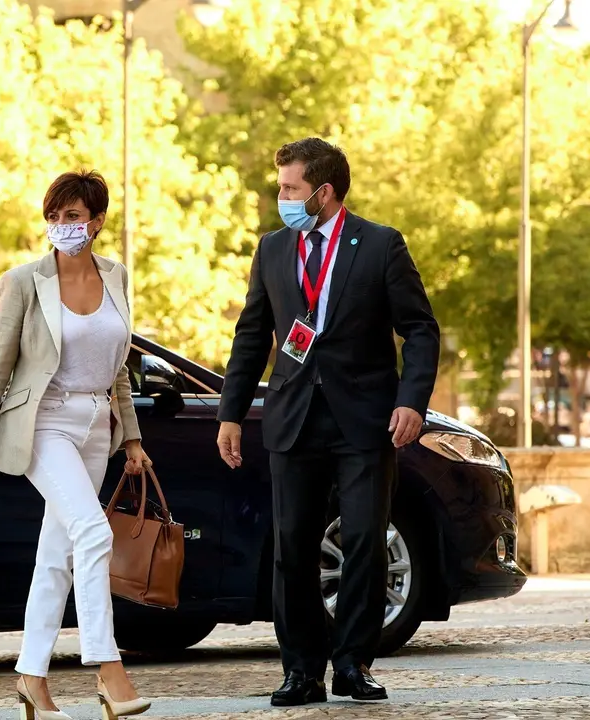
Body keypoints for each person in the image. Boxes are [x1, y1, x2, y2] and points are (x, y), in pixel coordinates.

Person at [215, 139, 440, 706]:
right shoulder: (271, 250)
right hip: (292, 419)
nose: (281, 198)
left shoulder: (381, 245)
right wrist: (231, 413)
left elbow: (419, 329)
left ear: (324, 191)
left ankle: (354, 663)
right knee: (291, 547)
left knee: (365, 540)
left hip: (365, 422)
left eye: (290, 189)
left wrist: (411, 400)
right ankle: (301, 671)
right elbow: (250, 335)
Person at [0, 170, 152, 720]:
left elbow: (118, 370)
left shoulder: (117, 276)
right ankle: (107, 668)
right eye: (54, 217)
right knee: (91, 532)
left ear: (98, 221)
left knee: (57, 556)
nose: (62, 226)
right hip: (44, 423)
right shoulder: (23, 282)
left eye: (73, 216)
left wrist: (131, 438)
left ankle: (31, 678)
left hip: (96, 426)